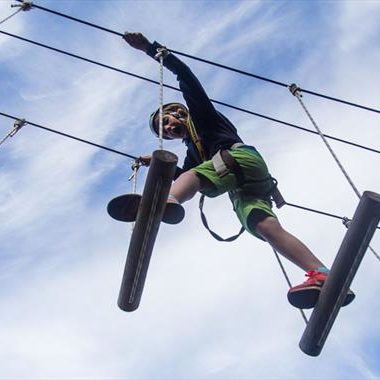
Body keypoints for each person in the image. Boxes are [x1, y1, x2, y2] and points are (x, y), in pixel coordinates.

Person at [122, 32, 355, 310]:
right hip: (243, 186)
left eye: (168, 121)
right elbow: (187, 171)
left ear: (177, 111)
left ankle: (165, 203)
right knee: (264, 226)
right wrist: (159, 165)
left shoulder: (201, 114)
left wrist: (151, 49)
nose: (169, 129)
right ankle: (322, 274)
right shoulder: (194, 151)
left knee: (193, 178)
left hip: (240, 159)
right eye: (165, 131)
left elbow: (185, 76)